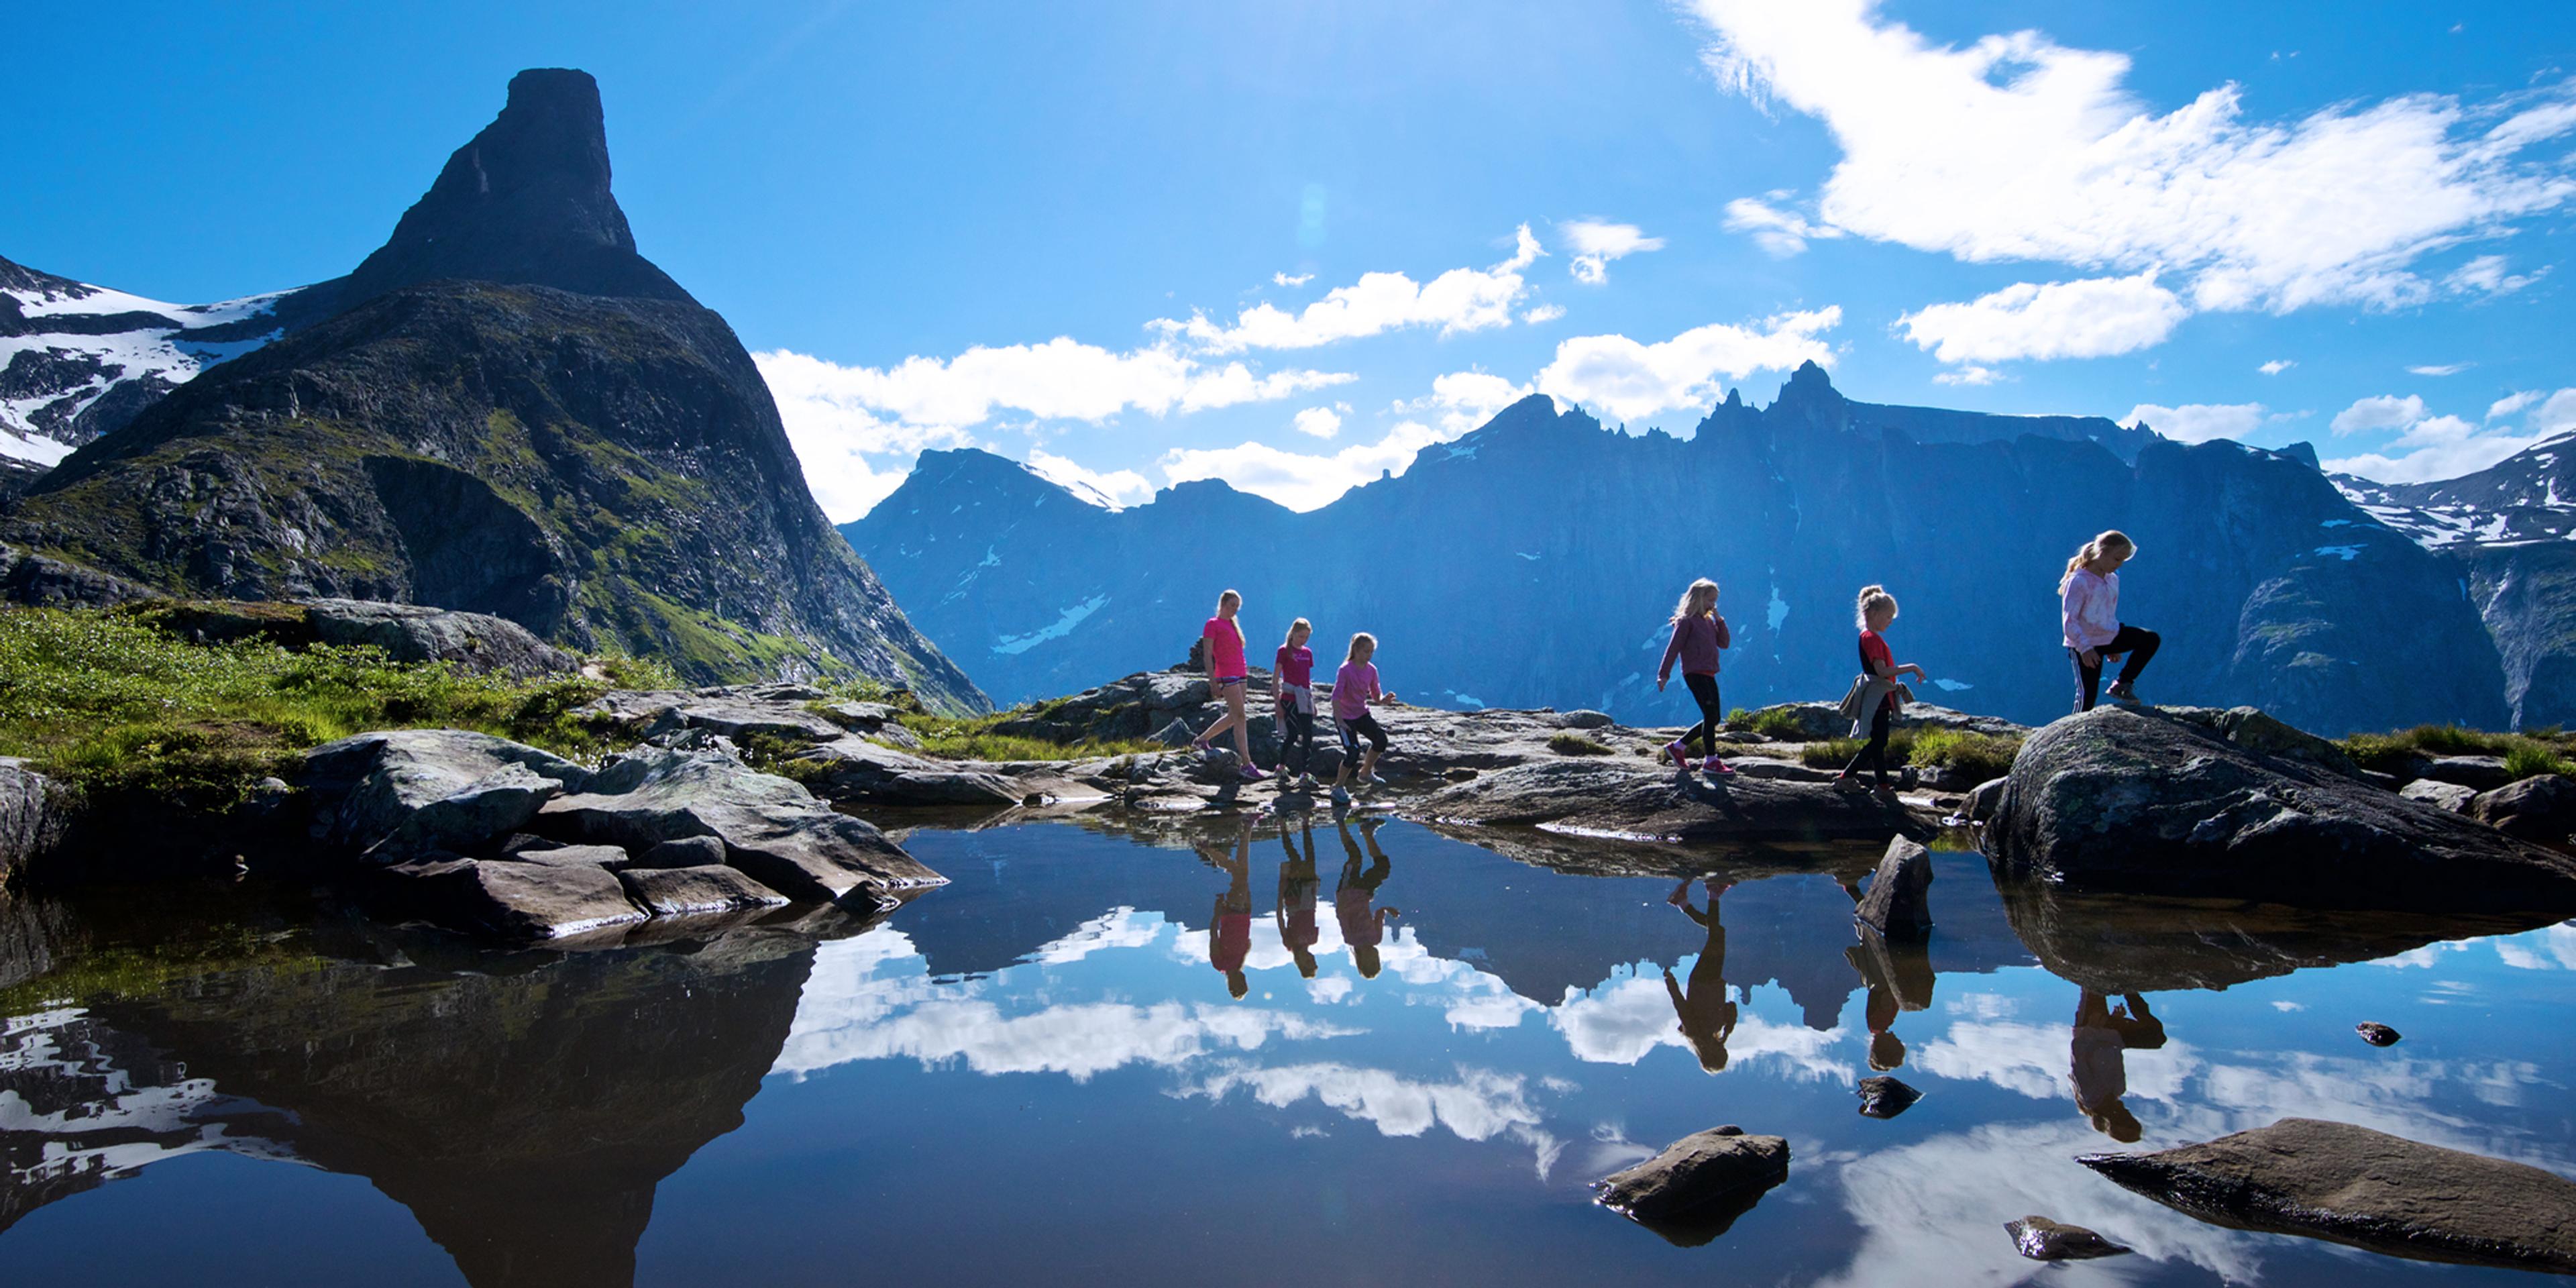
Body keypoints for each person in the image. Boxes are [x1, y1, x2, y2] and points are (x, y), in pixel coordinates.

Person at [1837, 585, 1924, 794]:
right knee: (1880, 741)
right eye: (1888, 616)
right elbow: (1882, 671)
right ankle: (1846, 777)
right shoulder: (1872, 639)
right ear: (1874, 614)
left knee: (1878, 741)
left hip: (1879, 695)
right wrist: (1912, 667)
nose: (1890, 621)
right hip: (1878, 697)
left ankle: (1883, 785)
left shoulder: (1867, 636)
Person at [2061, 530, 2160, 712]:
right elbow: (2069, 621)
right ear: (2102, 553)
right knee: (2087, 696)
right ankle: (2072, 734)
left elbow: (2107, 613)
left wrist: (2112, 637)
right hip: (2084, 645)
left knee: (2150, 639)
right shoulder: (2078, 582)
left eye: (2123, 560)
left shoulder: (2112, 579)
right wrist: (2085, 649)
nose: (2120, 564)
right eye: (2117, 559)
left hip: (2107, 637)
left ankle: (2122, 684)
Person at [1656, 578, 1735, 777]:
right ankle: (1711, 760)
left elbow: (1724, 643)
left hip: (1709, 672)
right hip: (1695, 673)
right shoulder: (1686, 622)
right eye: (1710, 600)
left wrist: (1719, 619)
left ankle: (1678, 747)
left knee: (1714, 717)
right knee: (1710, 715)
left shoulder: (1709, 621)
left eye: (1715, 601)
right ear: (1699, 599)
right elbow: (1673, 649)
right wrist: (1663, 675)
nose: (1713, 605)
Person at [1664, 877, 1739, 1073]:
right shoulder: (1715, 1031)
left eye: (1721, 1051)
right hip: (1713, 981)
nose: (1723, 1047)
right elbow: (1731, 1007)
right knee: (1718, 932)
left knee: (1716, 934)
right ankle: (1682, 902)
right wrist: (1728, 1028)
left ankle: (1713, 892)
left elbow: (1681, 1006)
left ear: (1712, 1053)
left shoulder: (1694, 1033)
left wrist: (1670, 982)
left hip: (1703, 981)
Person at [1192, 589, 1267, 780]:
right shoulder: (1212, 624)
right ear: (1223, 604)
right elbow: (1208, 654)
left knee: (1235, 716)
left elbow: (1238, 653)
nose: (1234, 609)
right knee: (1240, 716)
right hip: (1226, 675)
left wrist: (1245, 674)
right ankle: (1246, 763)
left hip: (1240, 674)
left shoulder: (1233, 625)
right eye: (1232, 605)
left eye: (1237, 607)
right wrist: (1213, 681)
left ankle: (1202, 740)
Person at [1329, 631, 1397, 805]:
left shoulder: (1371, 670)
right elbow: (1336, 697)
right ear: (1357, 650)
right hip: (1345, 717)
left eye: (1371, 652)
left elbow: (1375, 695)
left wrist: (1384, 700)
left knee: (1381, 739)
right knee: (1353, 751)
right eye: (1366, 651)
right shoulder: (1345, 670)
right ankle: (1338, 787)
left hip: (1361, 714)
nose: (1369, 655)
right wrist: (1340, 721)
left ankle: (1365, 773)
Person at [1334, 813, 1399, 979]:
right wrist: (1388, 910)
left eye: (1371, 961)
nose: (1374, 957)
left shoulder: (1351, 939)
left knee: (1355, 857)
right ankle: (1367, 832)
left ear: (1362, 960)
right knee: (1383, 869)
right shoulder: (1376, 939)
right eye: (1376, 960)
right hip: (1364, 893)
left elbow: (1342, 915)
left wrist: (1347, 897)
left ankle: (1340, 822)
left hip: (1348, 890)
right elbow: (1378, 915)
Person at [1199, 819, 1255, 999]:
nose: (1243, 979)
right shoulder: (1241, 961)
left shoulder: (1219, 963)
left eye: (1240, 983)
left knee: (1241, 873)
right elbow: (1246, 936)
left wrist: (1217, 912)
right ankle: (1244, 831)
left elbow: (1214, 935)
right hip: (1245, 912)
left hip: (1231, 913)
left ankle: (1245, 830)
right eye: (1244, 982)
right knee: (1242, 872)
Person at [1274, 617, 1319, 788]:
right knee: (1293, 734)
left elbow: (1307, 680)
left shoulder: (1308, 653)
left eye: (1306, 637)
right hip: (1289, 698)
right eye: (1301, 636)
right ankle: (1281, 766)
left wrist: (1312, 703)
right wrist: (1277, 703)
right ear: (1293, 634)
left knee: (1308, 735)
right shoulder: (1284, 651)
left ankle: (1304, 773)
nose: (1304, 640)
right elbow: (1276, 676)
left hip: (1304, 697)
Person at [1277, 818, 1322, 978]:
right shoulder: (1314, 939)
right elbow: (1313, 913)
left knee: (1294, 858)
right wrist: (1315, 888)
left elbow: (1281, 922)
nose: (1312, 959)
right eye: (1314, 961)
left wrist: (1280, 899)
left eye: (1309, 963)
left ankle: (1283, 826)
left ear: (1301, 963)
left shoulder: (1290, 944)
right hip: (1309, 900)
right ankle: (1305, 823)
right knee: (1311, 856)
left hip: (1294, 901)